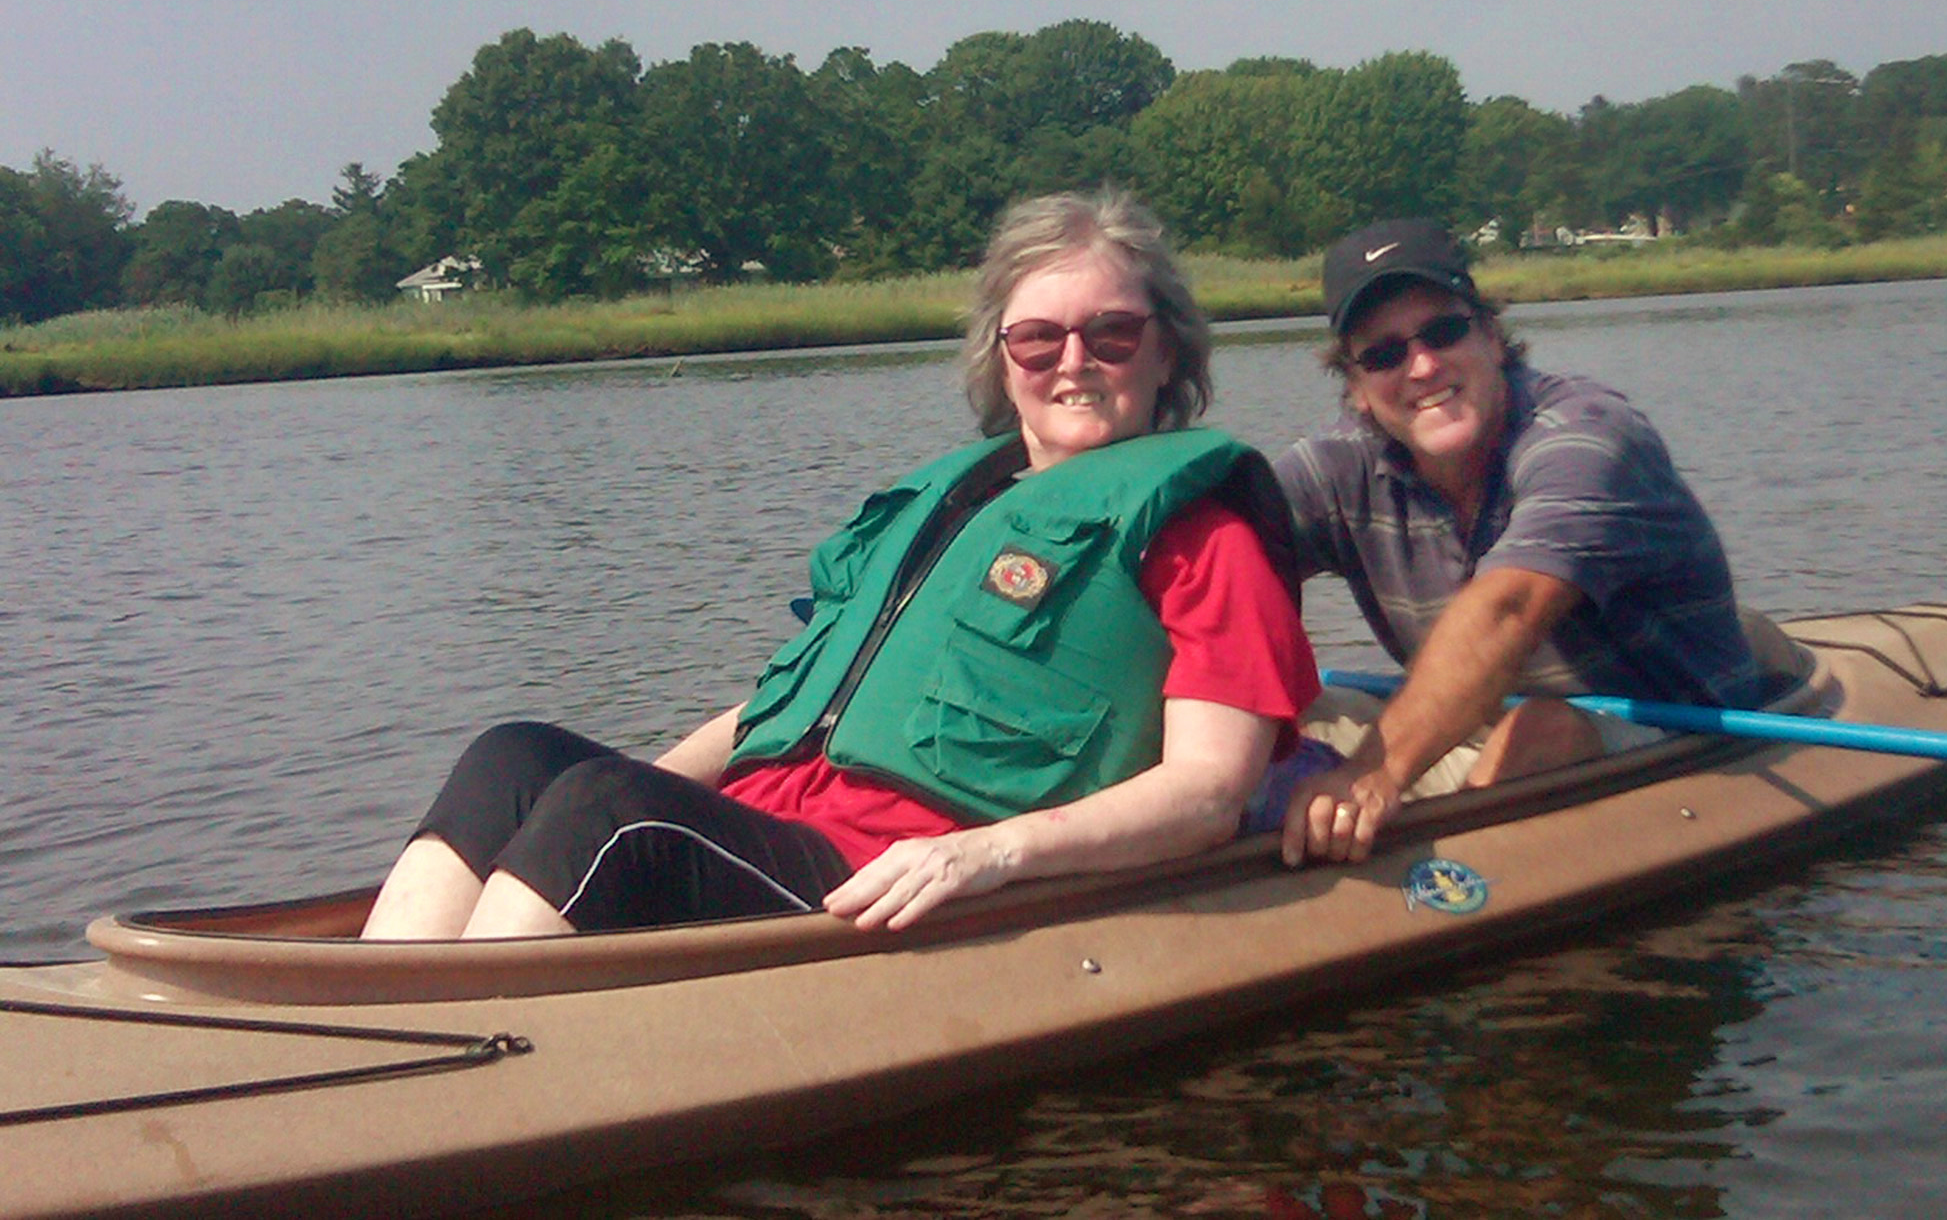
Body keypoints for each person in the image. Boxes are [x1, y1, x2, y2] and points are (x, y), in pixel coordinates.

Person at [361, 189, 1318, 940]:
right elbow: (780, 709)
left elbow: (1208, 792)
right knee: (517, 759)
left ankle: (460, 1061)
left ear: (1165, 352)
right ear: (1002, 354)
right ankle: (380, 1011)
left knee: (608, 809)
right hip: (768, 827)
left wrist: (990, 854)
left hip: (892, 874)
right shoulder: (948, 503)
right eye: (1039, 336)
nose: (1075, 359)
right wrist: (584, 808)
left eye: (1112, 333)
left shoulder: (1206, 540)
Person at [1273, 217, 1801, 867]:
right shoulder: (1337, 466)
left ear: (1492, 336)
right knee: (1276, 706)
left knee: (1543, 729)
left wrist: (1370, 776)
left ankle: (1449, 876)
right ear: (1355, 388)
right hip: (1470, 727)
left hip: (1675, 729)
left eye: (1444, 331)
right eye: (1383, 354)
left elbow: (1510, 604)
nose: (1423, 366)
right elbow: (1213, 556)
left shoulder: (1588, 437)